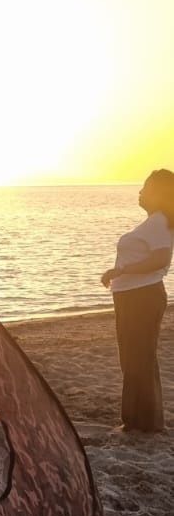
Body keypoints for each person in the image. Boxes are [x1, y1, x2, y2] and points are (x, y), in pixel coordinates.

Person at [100, 170, 173, 432]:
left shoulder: (158, 222)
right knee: (135, 358)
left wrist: (121, 271)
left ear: (159, 194)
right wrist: (118, 272)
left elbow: (161, 259)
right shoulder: (156, 222)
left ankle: (141, 423)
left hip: (142, 296)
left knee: (137, 359)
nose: (140, 192)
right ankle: (138, 421)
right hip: (135, 295)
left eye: (146, 187)